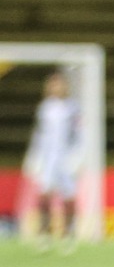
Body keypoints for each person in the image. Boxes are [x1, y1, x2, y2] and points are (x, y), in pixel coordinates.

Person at [24, 71, 81, 251]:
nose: (56, 88)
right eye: (53, 84)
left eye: (59, 84)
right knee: (44, 195)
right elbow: (39, 135)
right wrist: (34, 157)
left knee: (69, 196)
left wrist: (77, 157)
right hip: (48, 157)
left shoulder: (73, 108)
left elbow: (79, 135)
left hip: (65, 157)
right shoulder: (45, 108)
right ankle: (44, 234)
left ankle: (68, 234)